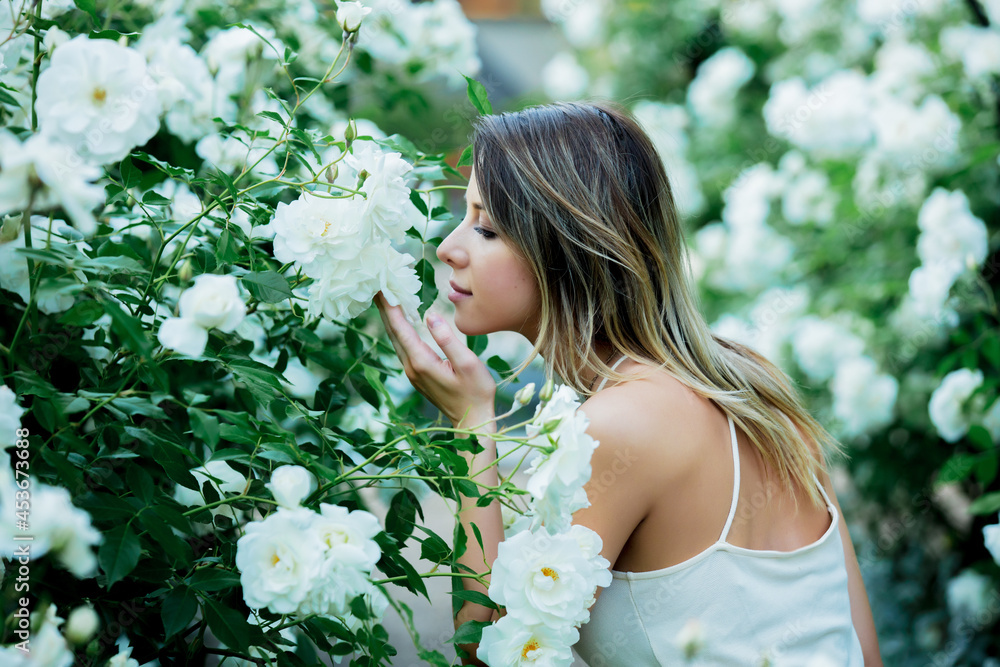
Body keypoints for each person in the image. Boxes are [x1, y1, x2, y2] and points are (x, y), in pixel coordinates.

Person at [376, 101, 882, 665]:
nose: (449, 247)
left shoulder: (620, 427)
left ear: (566, 247)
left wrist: (471, 423)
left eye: (487, 227)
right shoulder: (754, 382)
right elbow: (862, 651)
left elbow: (485, 653)